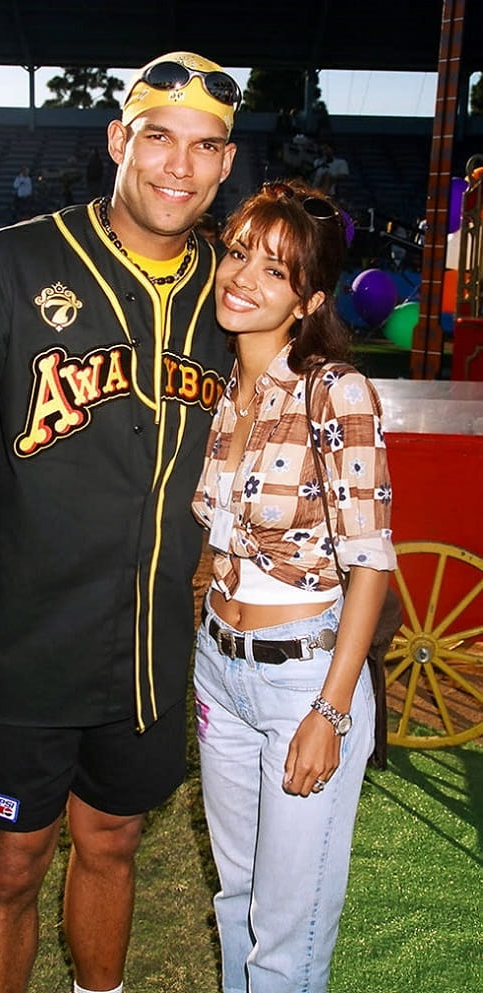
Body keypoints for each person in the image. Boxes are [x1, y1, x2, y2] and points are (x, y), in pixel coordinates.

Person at [0, 50, 239, 993]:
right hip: (18, 651)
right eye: (157, 137)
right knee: (10, 867)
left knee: (113, 840)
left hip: (151, 656)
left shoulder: (236, 303)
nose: (177, 165)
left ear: (226, 162)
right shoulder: (10, 264)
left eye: (203, 147)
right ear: (119, 140)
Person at [191, 180, 396, 993]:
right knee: (238, 898)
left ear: (308, 299)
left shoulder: (334, 390)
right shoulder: (219, 389)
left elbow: (371, 562)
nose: (241, 277)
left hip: (305, 681)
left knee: (290, 930)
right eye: (238, 252)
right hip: (219, 671)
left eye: (273, 271)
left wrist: (334, 711)